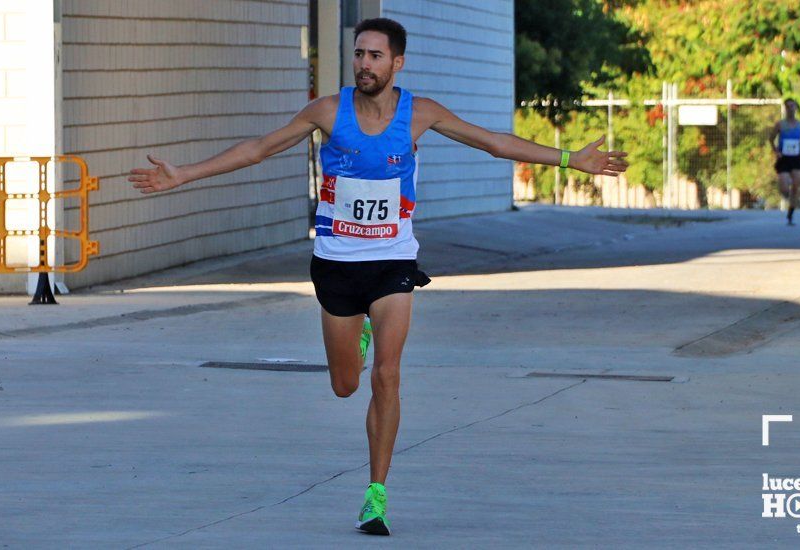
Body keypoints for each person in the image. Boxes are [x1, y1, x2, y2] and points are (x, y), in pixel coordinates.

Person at [128, 17, 628, 536]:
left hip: (393, 263)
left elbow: (493, 143)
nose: (364, 64)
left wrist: (571, 159)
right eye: (359, 54)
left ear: (397, 63)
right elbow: (259, 148)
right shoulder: (328, 111)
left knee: (387, 375)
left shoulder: (420, 113)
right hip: (336, 264)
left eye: (375, 56)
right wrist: (182, 175)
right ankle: (357, 334)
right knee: (346, 385)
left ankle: (376, 494)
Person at [769, 98, 800, 225]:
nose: (791, 109)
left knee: (795, 187)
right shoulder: (780, 124)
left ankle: (790, 214)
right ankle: (786, 193)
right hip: (784, 158)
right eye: (788, 106)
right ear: (785, 109)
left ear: (796, 108)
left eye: (793, 106)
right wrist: (776, 151)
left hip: (796, 158)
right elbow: (771, 139)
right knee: (785, 189)